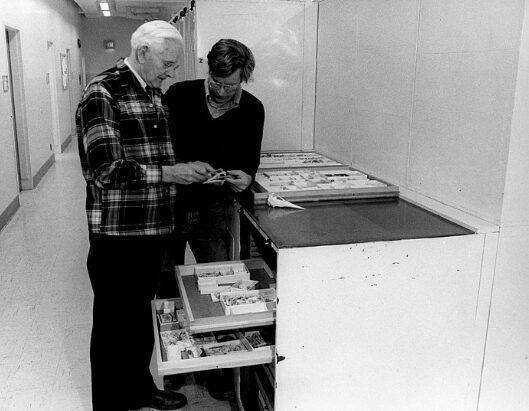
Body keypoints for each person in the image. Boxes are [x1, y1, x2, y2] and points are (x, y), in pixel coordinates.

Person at [76, 20, 215, 411]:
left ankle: (140, 389)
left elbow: (150, 157)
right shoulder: (102, 92)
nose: (172, 72)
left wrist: (187, 168)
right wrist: (172, 173)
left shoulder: (152, 92)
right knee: (113, 325)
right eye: (168, 63)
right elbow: (106, 170)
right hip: (118, 234)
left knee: (139, 321)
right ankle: (111, 402)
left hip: (153, 228)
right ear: (141, 53)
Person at [161, 38, 265, 400]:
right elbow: (158, 148)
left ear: (244, 77)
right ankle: (177, 364)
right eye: (216, 82)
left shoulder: (252, 109)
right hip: (169, 205)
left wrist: (245, 177)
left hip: (215, 207)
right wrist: (177, 170)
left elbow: (250, 159)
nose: (221, 91)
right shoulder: (178, 95)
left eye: (230, 85)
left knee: (217, 284)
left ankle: (214, 366)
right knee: (165, 283)